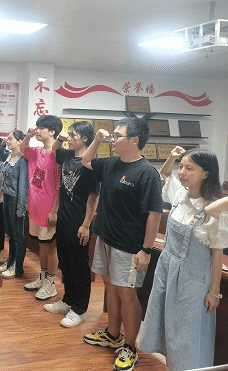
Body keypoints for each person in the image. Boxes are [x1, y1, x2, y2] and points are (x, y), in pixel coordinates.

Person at [81, 117, 163, 371]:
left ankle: (130, 347)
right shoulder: (111, 163)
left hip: (129, 245)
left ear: (134, 140)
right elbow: (86, 160)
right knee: (110, 286)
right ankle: (112, 334)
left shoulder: (147, 173)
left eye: (118, 135)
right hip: (106, 236)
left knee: (128, 294)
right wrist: (97, 140)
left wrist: (146, 249)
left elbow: (154, 214)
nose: (113, 139)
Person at [138, 147, 227, 370]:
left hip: (193, 282)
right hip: (167, 271)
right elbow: (165, 174)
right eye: (182, 167)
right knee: (167, 329)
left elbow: (217, 255)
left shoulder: (215, 211)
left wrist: (214, 292)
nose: (182, 172)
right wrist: (172, 157)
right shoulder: (180, 194)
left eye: (190, 168)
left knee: (186, 337)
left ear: (206, 174)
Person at [43, 121, 99, 328]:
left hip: (79, 222)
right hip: (64, 219)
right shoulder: (67, 156)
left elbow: (93, 197)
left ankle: (80, 309)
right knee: (65, 262)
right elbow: (55, 149)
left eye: (73, 135)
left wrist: (86, 224)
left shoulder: (90, 163)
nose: (70, 138)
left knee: (79, 266)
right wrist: (54, 210)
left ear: (85, 138)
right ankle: (68, 300)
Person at [21, 115, 63, 300]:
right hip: (35, 207)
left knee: (51, 246)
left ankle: (51, 283)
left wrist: (54, 210)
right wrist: (28, 136)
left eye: (41, 128)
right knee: (41, 245)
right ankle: (43, 277)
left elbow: (61, 185)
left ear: (52, 131)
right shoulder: (37, 151)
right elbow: (23, 150)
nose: (37, 131)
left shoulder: (57, 154)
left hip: (49, 209)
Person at [0, 130, 29, 279]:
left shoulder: (22, 160)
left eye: (11, 139)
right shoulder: (9, 157)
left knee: (18, 236)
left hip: (16, 200)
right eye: (8, 139)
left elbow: (23, 186)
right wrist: (3, 143)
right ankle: (10, 261)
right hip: (8, 199)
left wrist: (21, 208)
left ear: (20, 141)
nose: (8, 141)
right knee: (10, 234)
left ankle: (17, 267)